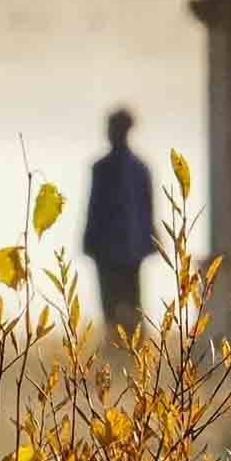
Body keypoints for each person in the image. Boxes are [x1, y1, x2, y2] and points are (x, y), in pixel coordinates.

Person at [80, 106, 160, 334]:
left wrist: (88, 242)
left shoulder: (102, 168)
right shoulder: (141, 168)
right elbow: (149, 211)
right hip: (131, 248)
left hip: (108, 249)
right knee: (131, 300)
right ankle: (131, 347)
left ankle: (121, 346)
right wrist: (150, 243)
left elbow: (94, 209)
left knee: (112, 302)